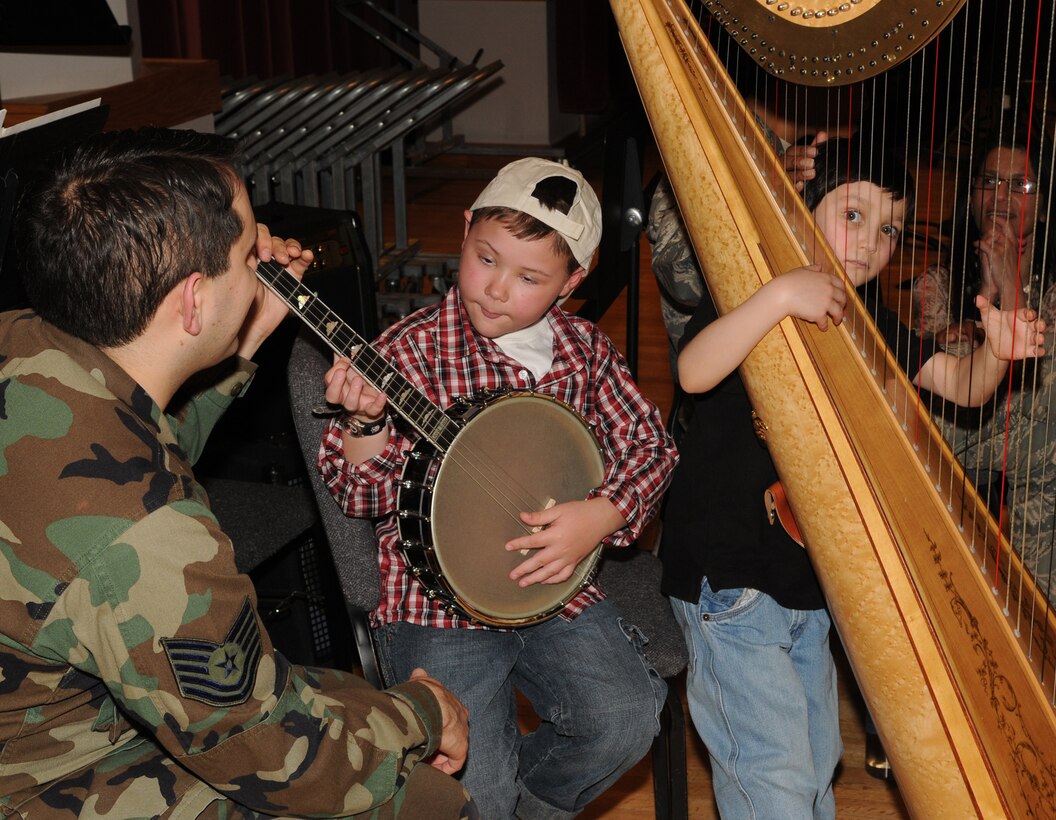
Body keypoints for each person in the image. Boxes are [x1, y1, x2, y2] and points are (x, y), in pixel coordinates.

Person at [0, 127, 475, 819]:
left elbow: (120, 451)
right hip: (44, 777)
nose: (265, 255)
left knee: (340, 701)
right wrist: (423, 715)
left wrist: (247, 337)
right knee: (422, 799)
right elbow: (280, 758)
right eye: (249, 246)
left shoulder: (23, 340)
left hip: (37, 693)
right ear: (192, 301)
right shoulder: (153, 537)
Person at [657, 134, 1045, 819]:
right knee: (769, 778)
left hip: (810, 585)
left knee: (811, 767)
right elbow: (693, 372)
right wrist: (778, 295)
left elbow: (961, 386)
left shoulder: (871, 324)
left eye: (890, 227)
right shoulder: (748, 295)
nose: (872, 241)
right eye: (854, 214)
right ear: (801, 210)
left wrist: (995, 352)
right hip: (728, 579)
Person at [319, 157, 677, 819]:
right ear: (464, 233)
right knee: (467, 790)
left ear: (574, 279)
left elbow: (652, 445)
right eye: (486, 259)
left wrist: (603, 515)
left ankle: (525, 808)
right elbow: (357, 495)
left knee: (626, 717)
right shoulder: (409, 353)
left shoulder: (585, 352)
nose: (496, 289)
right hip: (435, 607)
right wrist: (363, 422)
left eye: (529, 277)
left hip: (554, 589)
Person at [912, 124, 1056, 603]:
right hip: (958, 437)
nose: (1001, 196)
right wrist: (953, 337)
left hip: (1039, 446)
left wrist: (1011, 286)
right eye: (989, 181)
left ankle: (1037, 607)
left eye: (1021, 185)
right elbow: (915, 368)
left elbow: (1044, 375)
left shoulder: (1052, 290)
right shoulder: (937, 282)